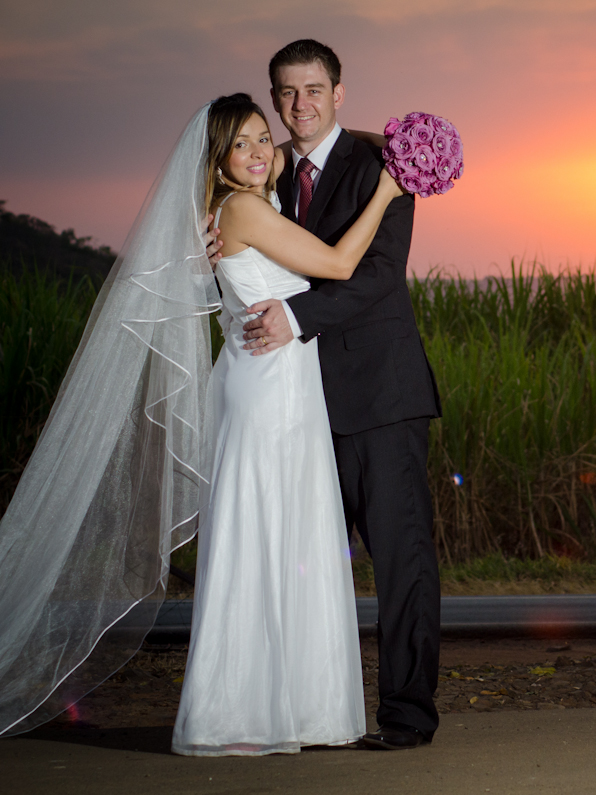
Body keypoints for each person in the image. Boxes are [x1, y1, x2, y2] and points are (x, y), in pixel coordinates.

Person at [212, 39, 443, 751]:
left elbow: (375, 276)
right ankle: (302, 708)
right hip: (296, 406)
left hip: (379, 396)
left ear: (339, 93)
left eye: (313, 90)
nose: (299, 105)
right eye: (286, 93)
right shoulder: (265, 170)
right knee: (303, 562)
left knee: (400, 560)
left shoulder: (383, 167)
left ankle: (406, 715)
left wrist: (297, 316)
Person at [172, 93, 404, 756]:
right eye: (237, 144)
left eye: (259, 139)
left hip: (282, 383)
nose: (254, 153)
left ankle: (291, 705)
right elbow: (335, 265)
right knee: (269, 533)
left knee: (287, 534)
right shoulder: (243, 208)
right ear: (216, 158)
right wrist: (387, 189)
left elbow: (296, 166)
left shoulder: (248, 206)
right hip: (269, 387)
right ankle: (243, 710)